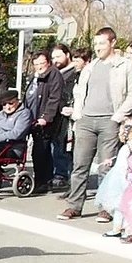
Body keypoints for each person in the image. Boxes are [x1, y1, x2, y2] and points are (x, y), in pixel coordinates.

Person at [63, 27, 132, 220]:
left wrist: (118, 116)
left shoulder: (125, 65)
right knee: (79, 165)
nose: (98, 48)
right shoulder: (90, 67)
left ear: (113, 43)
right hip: (86, 120)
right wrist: (78, 115)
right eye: (96, 44)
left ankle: (105, 207)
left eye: (102, 43)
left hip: (109, 119)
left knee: (106, 166)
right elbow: (79, 92)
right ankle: (74, 205)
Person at [25, 50, 66, 190]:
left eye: (42, 63)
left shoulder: (54, 75)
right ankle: (41, 179)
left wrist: (46, 117)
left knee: (42, 150)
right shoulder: (34, 76)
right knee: (38, 150)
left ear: (48, 62)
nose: (39, 66)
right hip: (32, 116)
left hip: (44, 119)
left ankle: (43, 181)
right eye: (36, 64)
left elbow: (54, 98)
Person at [50, 44, 79, 189]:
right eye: (53, 57)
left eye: (58, 56)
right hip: (56, 115)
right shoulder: (54, 73)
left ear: (67, 55)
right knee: (57, 145)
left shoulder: (75, 73)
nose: (55, 60)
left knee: (67, 146)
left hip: (71, 115)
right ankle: (58, 173)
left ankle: (65, 174)